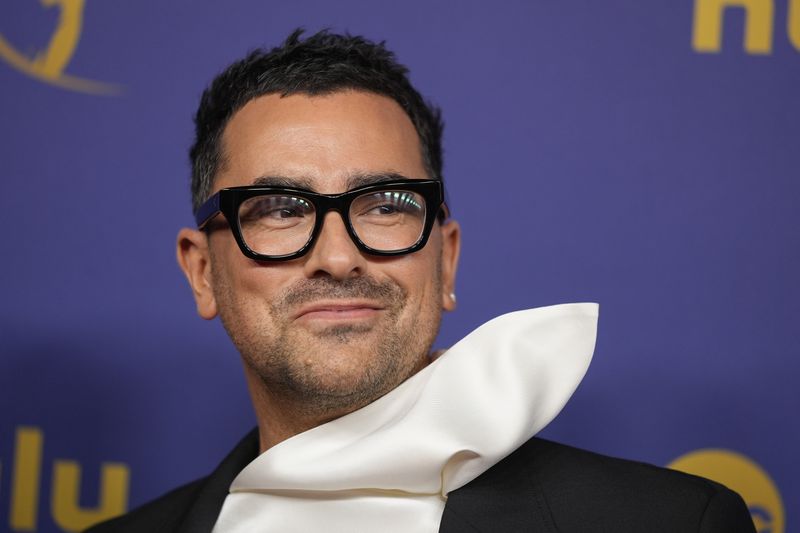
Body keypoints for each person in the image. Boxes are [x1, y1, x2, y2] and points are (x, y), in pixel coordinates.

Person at [86, 29, 755, 532]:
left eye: (385, 206)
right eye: (283, 210)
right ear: (203, 272)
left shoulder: (670, 521)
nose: (339, 257)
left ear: (446, 260)